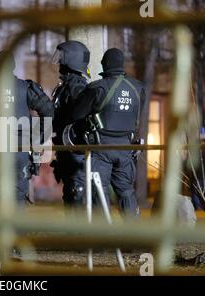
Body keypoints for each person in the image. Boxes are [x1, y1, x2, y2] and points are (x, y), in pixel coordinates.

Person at [0, 50, 54, 205]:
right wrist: (37, 137)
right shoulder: (26, 88)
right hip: (20, 149)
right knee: (18, 195)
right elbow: (48, 111)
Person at [69, 48, 146, 217]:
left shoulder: (97, 88)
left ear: (105, 64)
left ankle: (104, 238)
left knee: (99, 192)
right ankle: (134, 237)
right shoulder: (138, 88)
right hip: (126, 149)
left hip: (101, 149)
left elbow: (76, 115)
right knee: (126, 191)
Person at [50, 40, 91, 208]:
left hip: (75, 152)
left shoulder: (77, 87)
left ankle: (80, 233)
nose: (59, 61)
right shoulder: (66, 85)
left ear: (71, 60)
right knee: (70, 194)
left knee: (76, 192)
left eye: (62, 57)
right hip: (66, 151)